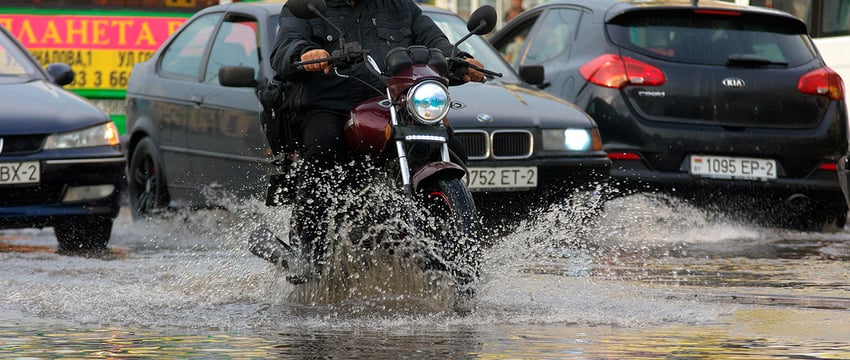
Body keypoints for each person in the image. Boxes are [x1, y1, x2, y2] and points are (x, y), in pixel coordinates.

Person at [263, 0, 486, 284]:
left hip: (393, 102)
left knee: (449, 146)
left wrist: (461, 60)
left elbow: (435, 43)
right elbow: (285, 49)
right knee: (324, 148)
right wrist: (307, 55)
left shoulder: (401, 7)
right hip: (332, 104)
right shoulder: (308, 7)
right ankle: (309, 253)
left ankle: (451, 238)